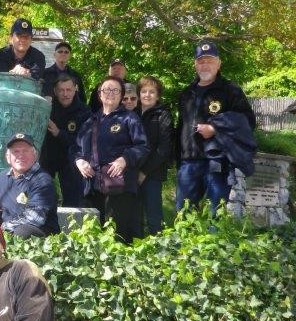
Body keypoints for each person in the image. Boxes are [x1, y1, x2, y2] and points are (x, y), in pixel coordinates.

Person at [176, 41, 256, 213]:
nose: (205, 65)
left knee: (215, 215)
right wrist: (178, 159)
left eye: (210, 61)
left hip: (217, 162)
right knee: (183, 214)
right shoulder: (186, 93)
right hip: (188, 163)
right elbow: (180, 127)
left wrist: (215, 129)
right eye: (201, 61)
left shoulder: (230, 90)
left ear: (218, 63)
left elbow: (247, 121)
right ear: (195, 64)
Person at [74, 76, 149, 244]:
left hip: (119, 186)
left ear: (121, 95)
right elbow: (76, 148)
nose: (110, 93)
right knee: (92, 235)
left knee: (118, 236)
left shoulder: (130, 118)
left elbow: (142, 147)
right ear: (100, 94)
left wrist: (125, 159)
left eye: (115, 90)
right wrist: (79, 161)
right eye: (106, 89)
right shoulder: (90, 121)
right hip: (92, 186)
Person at [0, 133, 59, 237]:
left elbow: (35, 218)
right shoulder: (1, 177)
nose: (21, 155)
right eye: (16, 151)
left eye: (25, 151)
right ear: (8, 157)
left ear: (35, 155)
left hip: (39, 233)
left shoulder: (42, 180)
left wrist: (1, 229)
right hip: (7, 231)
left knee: (22, 231)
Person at [40, 75, 90, 207]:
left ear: (75, 89)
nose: (65, 94)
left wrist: (59, 133)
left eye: (68, 90)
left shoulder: (84, 111)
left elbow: (82, 142)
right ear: (55, 91)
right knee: (44, 197)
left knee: (73, 201)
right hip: (48, 157)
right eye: (61, 90)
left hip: (71, 159)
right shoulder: (47, 108)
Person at [136, 75, 174, 235]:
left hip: (153, 172)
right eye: (144, 91)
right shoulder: (132, 112)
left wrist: (144, 172)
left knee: (153, 215)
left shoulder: (163, 115)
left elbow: (164, 148)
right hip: (132, 170)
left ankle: (158, 244)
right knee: (134, 213)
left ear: (158, 96)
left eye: (152, 92)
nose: (147, 95)